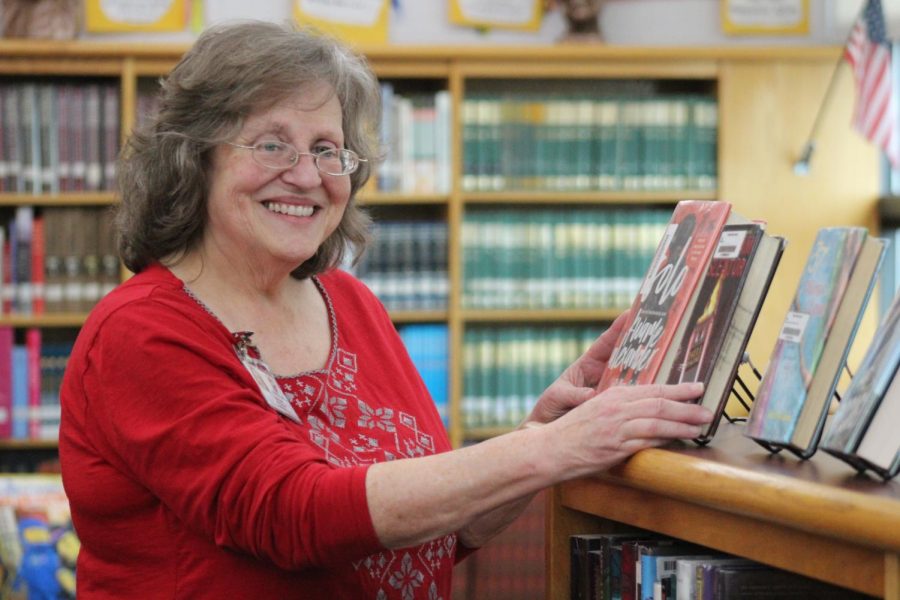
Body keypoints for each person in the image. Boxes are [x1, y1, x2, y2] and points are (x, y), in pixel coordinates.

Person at [59, 20, 713, 599]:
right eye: (271, 144)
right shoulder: (140, 333)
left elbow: (431, 529)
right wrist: (548, 451)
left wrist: (538, 429)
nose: (308, 173)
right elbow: (294, 517)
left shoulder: (352, 303)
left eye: (326, 148)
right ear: (194, 158)